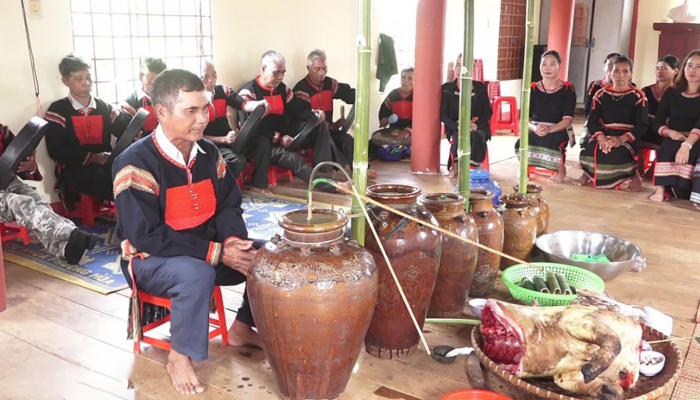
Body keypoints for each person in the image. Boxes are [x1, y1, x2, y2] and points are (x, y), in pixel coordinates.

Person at [113, 69, 263, 395]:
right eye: (191, 110)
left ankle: (241, 328)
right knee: (195, 274)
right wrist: (218, 252)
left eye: (205, 108)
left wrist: (234, 243)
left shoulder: (209, 154)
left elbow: (228, 206)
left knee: (266, 256)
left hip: (205, 250)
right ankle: (180, 356)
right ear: (162, 113)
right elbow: (145, 236)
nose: (203, 119)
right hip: (149, 261)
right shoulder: (135, 162)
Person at [238, 51, 348, 193]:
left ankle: (324, 169)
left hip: (284, 135)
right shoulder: (248, 93)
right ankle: (332, 185)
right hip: (263, 143)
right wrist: (278, 137)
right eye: (276, 73)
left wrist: (313, 114)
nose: (280, 77)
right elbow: (249, 129)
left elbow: (298, 108)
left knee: (319, 124)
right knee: (295, 160)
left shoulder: (281, 88)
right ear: (263, 69)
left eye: (283, 73)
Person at [1, 123, 97, 264]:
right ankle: (71, 233)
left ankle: (66, 249)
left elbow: (17, 158)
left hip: (9, 183)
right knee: (20, 202)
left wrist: (31, 166)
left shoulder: (2, 132)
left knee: (36, 200)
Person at [45, 54, 128, 203]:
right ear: (65, 81)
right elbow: (56, 150)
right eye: (79, 79)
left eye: (88, 77)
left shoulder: (104, 107)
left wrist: (133, 132)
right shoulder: (58, 110)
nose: (86, 83)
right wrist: (92, 157)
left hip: (106, 163)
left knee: (130, 172)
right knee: (100, 177)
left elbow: (125, 130)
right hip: (74, 166)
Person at [575, 55, 647, 191]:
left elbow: (642, 125)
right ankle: (588, 173)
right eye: (616, 71)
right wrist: (601, 137)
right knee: (591, 151)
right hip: (605, 134)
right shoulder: (601, 94)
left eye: (625, 71)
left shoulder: (638, 96)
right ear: (610, 73)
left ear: (631, 74)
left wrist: (621, 139)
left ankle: (634, 174)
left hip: (627, 137)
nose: (620, 75)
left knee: (614, 154)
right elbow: (592, 121)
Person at [200, 61, 270, 192]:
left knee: (262, 142)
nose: (211, 80)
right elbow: (196, 137)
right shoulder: (193, 101)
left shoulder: (223, 91)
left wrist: (259, 104)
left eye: (214, 74)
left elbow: (244, 105)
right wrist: (223, 139)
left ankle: (258, 185)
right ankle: (222, 193)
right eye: (205, 77)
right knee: (237, 160)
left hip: (230, 141)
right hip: (210, 145)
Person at [515, 50, 576, 183]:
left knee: (551, 139)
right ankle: (523, 167)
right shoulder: (533, 88)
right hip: (536, 126)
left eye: (552, 64)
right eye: (544, 64)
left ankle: (560, 169)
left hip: (558, 127)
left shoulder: (567, 89)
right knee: (526, 138)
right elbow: (524, 118)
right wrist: (534, 127)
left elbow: (567, 119)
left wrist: (549, 129)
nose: (547, 68)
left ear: (559, 66)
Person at [650, 50, 700, 209]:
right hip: (675, 135)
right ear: (683, 68)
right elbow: (658, 122)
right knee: (667, 147)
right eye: (689, 65)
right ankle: (661, 189)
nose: (692, 70)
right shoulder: (671, 92)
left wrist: (687, 145)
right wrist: (670, 133)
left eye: (699, 67)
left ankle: (695, 194)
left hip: (697, 137)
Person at [293, 49, 355, 167]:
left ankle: (360, 170)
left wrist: (361, 95)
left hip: (328, 131)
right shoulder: (302, 90)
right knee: (327, 138)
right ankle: (338, 169)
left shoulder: (329, 84)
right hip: (310, 135)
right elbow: (305, 119)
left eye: (324, 69)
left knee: (347, 140)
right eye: (317, 69)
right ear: (308, 68)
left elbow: (347, 94)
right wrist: (329, 126)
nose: (322, 73)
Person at [441, 54, 493, 178]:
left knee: (474, 134)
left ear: (472, 68)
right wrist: (458, 126)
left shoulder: (479, 88)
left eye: (464, 65)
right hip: (456, 127)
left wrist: (475, 124)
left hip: (477, 126)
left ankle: (475, 165)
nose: (460, 69)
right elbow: (443, 115)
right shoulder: (447, 88)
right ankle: (456, 164)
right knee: (461, 135)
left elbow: (487, 113)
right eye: (458, 65)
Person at [640, 55, 679, 152]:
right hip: (646, 132)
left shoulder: (678, 93)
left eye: (664, 68)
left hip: (667, 133)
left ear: (675, 71)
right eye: (657, 68)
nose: (659, 71)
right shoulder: (646, 90)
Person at [121, 57, 167, 136]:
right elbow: (125, 138)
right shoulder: (129, 104)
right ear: (141, 76)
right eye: (152, 81)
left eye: (161, 82)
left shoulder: (170, 99)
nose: (156, 86)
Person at [378, 67, 414, 132]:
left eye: (410, 78)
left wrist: (409, 130)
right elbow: (384, 109)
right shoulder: (393, 94)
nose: (405, 81)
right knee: (371, 142)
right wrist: (384, 119)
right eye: (403, 77)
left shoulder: (418, 97)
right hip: (394, 131)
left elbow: (422, 119)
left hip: (412, 133)